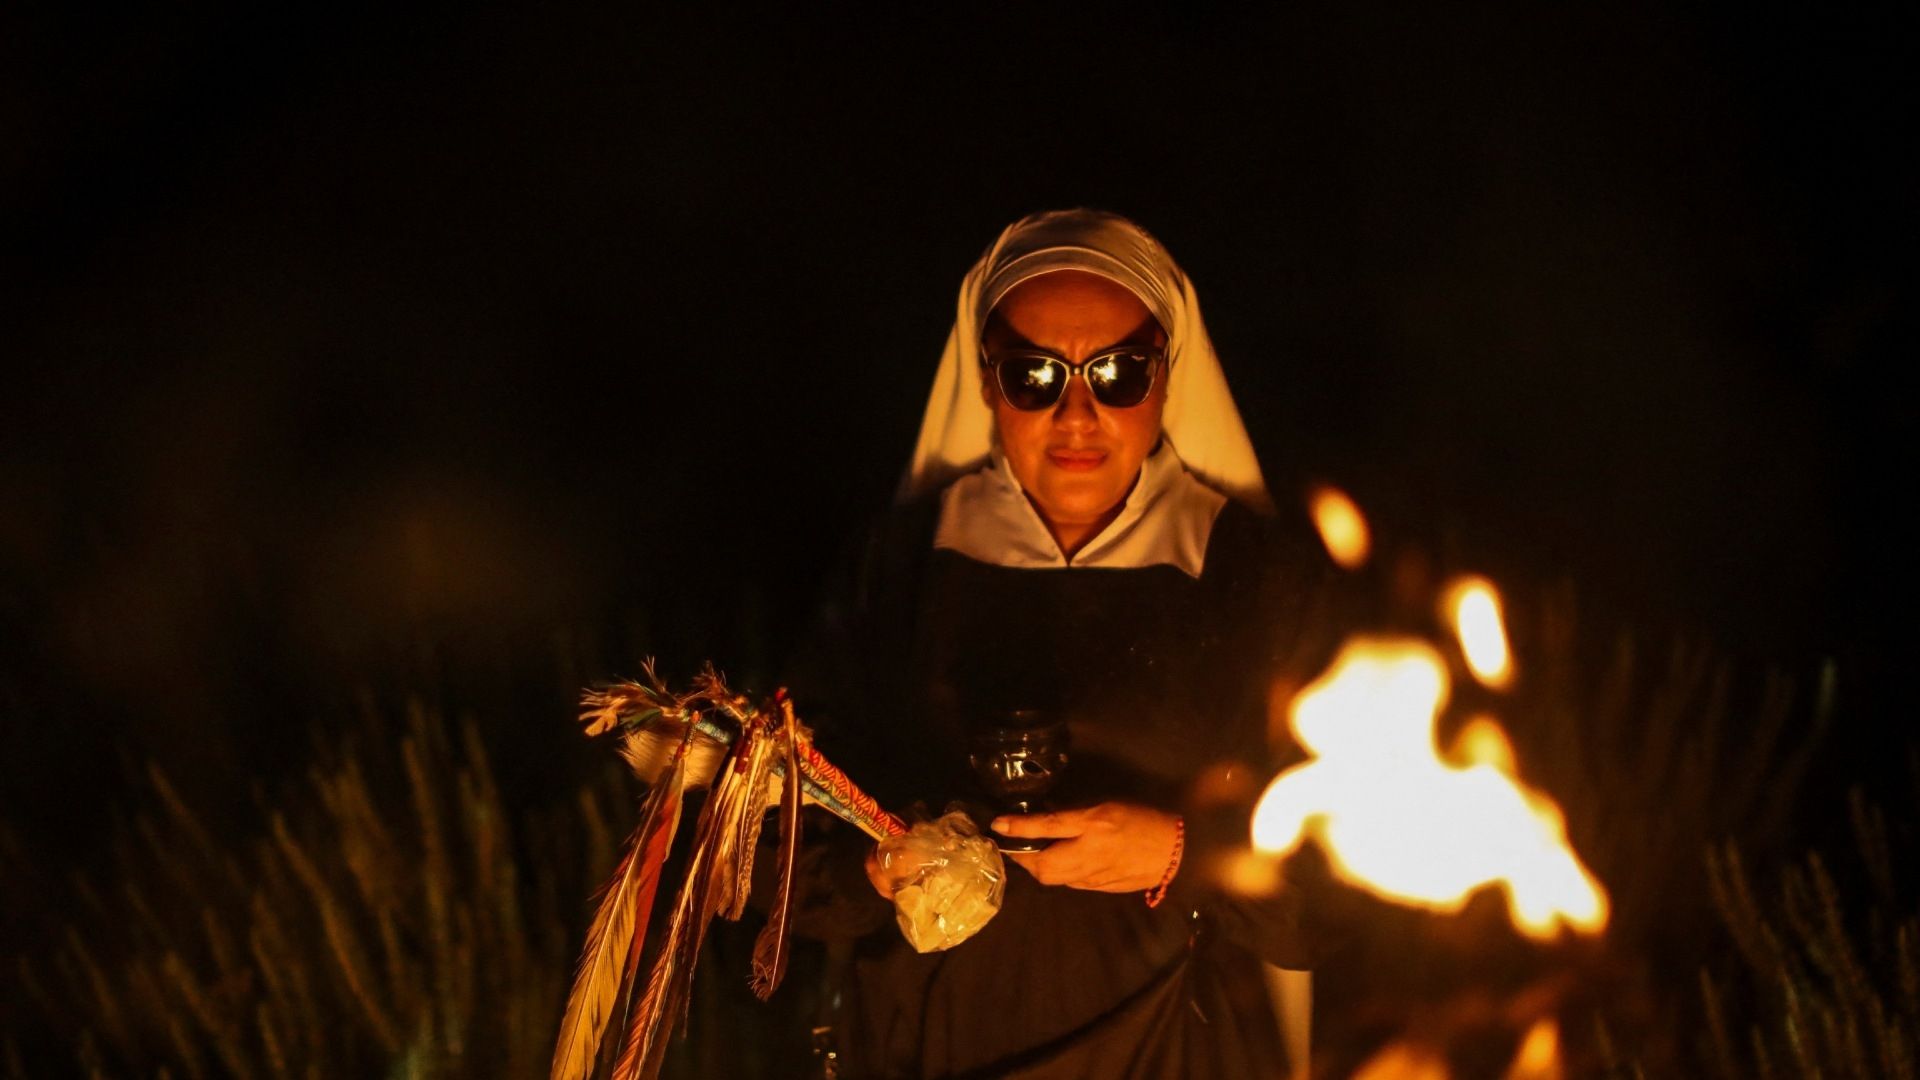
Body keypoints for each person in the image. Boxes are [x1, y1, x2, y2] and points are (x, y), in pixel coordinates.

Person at [779, 209, 1337, 1079]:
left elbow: (1351, 872)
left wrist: (1180, 853)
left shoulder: (1253, 577)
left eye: (1118, 372)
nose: (1078, 413)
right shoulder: (902, 567)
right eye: (1034, 374)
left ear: (1166, 376)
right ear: (987, 382)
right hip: (933, 1052)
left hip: (1179, 1049)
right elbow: (777, 827)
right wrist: (881, 865)